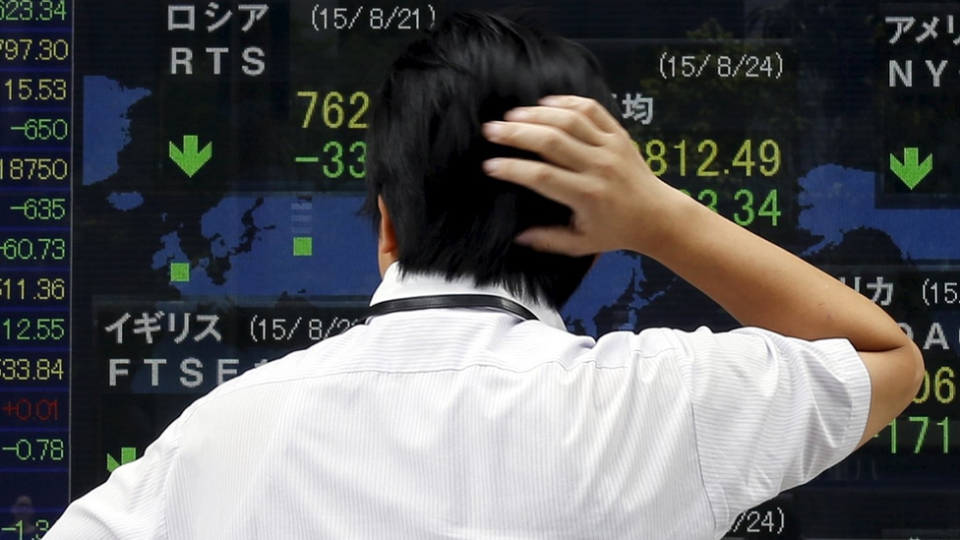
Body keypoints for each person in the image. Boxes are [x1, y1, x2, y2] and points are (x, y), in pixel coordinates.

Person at [45, 11, 922, 540]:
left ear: (386, 224)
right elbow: (887, 360)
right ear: (592, 233)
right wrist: (663, 218)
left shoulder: (222, 433)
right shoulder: (656, 405)